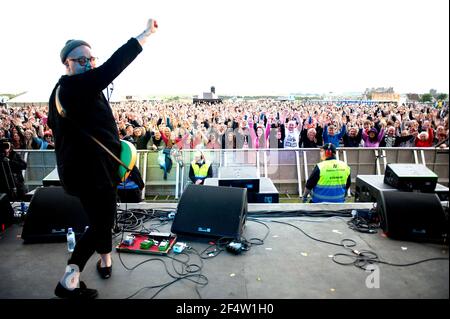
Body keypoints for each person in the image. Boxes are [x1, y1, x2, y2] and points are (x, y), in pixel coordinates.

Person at [47, 18, 158, 299]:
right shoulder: (75, 87)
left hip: (86, 171)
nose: (88, 63)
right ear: (67, 63)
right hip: (93, 173)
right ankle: (69, 279)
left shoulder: (60, 92)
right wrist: (145, 35)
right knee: (100, 223)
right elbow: (114, 66)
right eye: (80, 59)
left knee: (102, 218)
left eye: (91, 58)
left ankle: (106, 260)